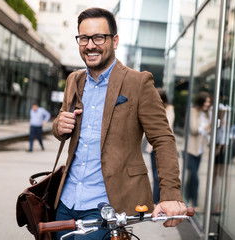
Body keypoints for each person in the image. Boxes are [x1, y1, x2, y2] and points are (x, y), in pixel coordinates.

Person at [52, 8, 186, 240]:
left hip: (105, 204)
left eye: (98, 37)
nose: (90, 45)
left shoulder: (139, 82)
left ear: (114, 40)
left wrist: (171, 194)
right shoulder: (74, 80)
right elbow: (63, 124)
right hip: (65, 201)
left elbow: (163, 140)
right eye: (84, 38)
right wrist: (58, 125)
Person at [145, 88, 175, 204]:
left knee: (160, 175)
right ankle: (155, 200)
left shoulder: (169, 109)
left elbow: (166, 126)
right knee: (154, 174)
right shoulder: (150, 108)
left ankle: (158, 200)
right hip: (153, 147)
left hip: (163, 147)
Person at [185, 91, 211, 207]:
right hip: (191, 150)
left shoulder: (205, 114)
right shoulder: (193, 111)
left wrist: (207, 128)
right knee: (194, 177)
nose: (208, 104)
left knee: (192, 177)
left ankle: (186, 198)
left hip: (200, 151)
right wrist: (207, 127)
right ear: (201, 101)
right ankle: (194, 202)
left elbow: (208, 131)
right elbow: (194, 129)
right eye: (207, 102)